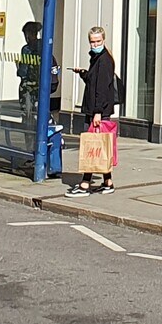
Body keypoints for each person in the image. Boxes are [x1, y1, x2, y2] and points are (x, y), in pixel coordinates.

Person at [66, 26, 118, 197]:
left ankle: (85, 184)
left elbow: (102, 89)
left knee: (91, 147)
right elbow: (94, 81)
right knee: (99, 145)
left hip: (98, 110)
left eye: (98, 41)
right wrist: (83, 73)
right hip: (97, 109)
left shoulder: (104, 60)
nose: (95, 44)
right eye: (92, 41)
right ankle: (107, 182)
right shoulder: (97, 58)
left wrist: (97, 112)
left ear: (104, 40)